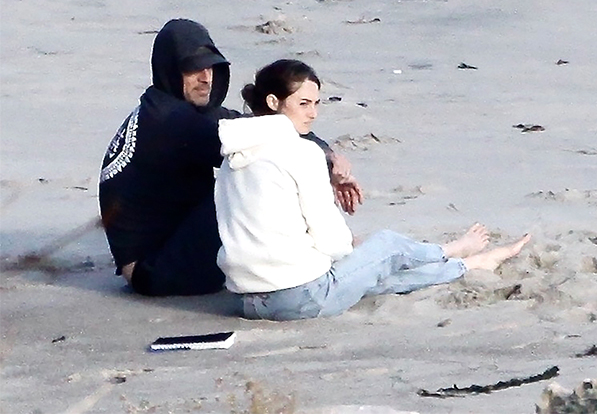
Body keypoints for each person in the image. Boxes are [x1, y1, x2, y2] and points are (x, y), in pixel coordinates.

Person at [214, 59, 531, 320]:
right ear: (274, 102)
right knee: (387, 245)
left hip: (247, 301)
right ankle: (450, 251)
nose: (313, 113)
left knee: (374, 274)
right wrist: (354, 247)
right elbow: (333, 242)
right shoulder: (301, 152)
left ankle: (470, 264)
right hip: (300, 298)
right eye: (304, 103)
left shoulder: (232, 157)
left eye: (317, 104)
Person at [99, 19, 359, 296]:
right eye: (193, 68)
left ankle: (304, 253)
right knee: (257, 170)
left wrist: (328, 156)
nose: (206, 77)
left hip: (165, 247)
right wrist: (323, 162)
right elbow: (268, 138)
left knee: (256, 162)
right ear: (170, 69)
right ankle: (306, 260)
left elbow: (255, 125)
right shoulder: (169, 121)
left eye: (210, 67)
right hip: (152, 270)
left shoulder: (171, 106)